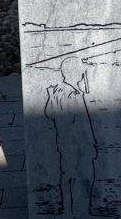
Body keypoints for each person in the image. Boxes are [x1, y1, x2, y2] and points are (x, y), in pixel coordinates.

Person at [45, 56, 96, 217]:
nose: (83, 74)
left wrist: (52, 97)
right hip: (79, 144)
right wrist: (91, 143)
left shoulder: (57, 91)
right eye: (81, 71)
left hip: (64, 141)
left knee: (68, 175)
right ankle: (81, 212)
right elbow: (82, 124)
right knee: (84, 176)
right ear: (76, 73)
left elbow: (49, 114)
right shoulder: (73, 95)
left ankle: (68, 210)